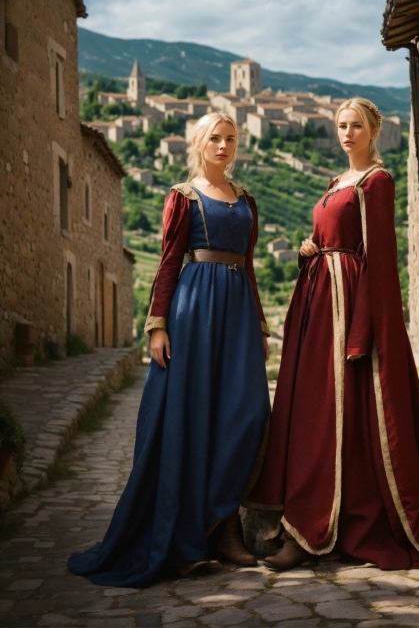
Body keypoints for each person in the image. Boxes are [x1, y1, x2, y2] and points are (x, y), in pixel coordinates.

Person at [246, 97, 419, 571]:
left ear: (374, 129)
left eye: (356, 125)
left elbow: (378, 261)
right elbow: (333, 242)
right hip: (319, 311)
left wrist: (364, 333)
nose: (347, 133)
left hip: (348, 314)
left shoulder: (376, 182)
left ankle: (321, 529)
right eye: (341, 125)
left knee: (338, 422)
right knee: (311, 416)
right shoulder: (335, 182)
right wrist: (310, 252)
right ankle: (304, 522)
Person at [68, 112, 270, 587]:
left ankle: (223, 522)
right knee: (190, 420)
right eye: (215, 139)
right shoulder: (183, 198)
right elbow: (167, 262)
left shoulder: (247, 202)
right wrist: (158, 325)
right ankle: (190, 539)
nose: (224, 146)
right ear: (199, 144)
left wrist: (259, 325)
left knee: (249, 413)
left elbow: (252, 266)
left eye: (230, 139)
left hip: (238, 312)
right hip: (194, 310)